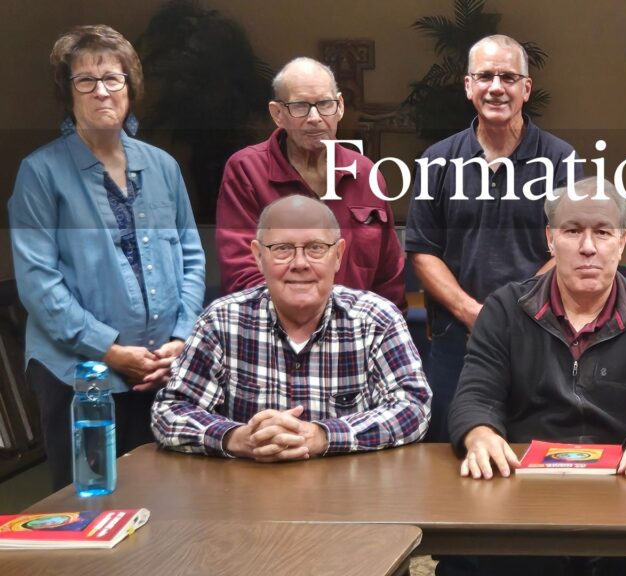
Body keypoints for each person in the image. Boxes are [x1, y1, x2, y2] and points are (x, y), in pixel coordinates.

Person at [446, 177, 626, 576]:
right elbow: (475, 394)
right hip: (525, 492)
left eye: (603, 232)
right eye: (572, 231)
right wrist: (479, 433)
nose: (588, 247)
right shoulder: (505, 309)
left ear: (622, 241)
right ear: (550, 239)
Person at [8, 25, 206, 491]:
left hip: (162, 368)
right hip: (79, 373)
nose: (101, 91)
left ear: (130, 88)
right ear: (68, 92)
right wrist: (109, 350)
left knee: (170, 496)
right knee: (92, 503)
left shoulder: (162, 166)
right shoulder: (40, 172)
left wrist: (181, 337)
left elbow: (193, 257)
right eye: (85, 80)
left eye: (113, 78)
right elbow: (38, 282)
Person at [152, 195, 430, 459]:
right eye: (282, 249)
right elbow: (170, 410)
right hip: (246, 487)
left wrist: (323, 436)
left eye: (315, 248)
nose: (300, 264)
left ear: (338, 255)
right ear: (258, 256)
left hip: (350, 489)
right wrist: (236, 438)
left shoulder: (377, 320)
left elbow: (414, 408)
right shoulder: (221, 321)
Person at [405, 34, 580, 442]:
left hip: (539, 330)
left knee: (535, 446)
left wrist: (510, 313)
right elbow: (422, 251)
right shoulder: (437, 160)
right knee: (451, 445)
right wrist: (472, 313)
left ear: (526, 88)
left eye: (508, 77)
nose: (496, 87)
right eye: (485, 76)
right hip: (456, 336)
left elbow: (569, 245)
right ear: (468, 86)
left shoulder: (560, 159)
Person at [216, 57, 405, 308]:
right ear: (278, 114)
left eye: (325, 104)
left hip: (359, 330)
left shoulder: (365, 173)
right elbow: (242, 275)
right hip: (272, 329)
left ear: (340, 107)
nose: (314, 117)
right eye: (300, 106)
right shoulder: (247, 171)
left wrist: (384, 325)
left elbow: (389, 278)